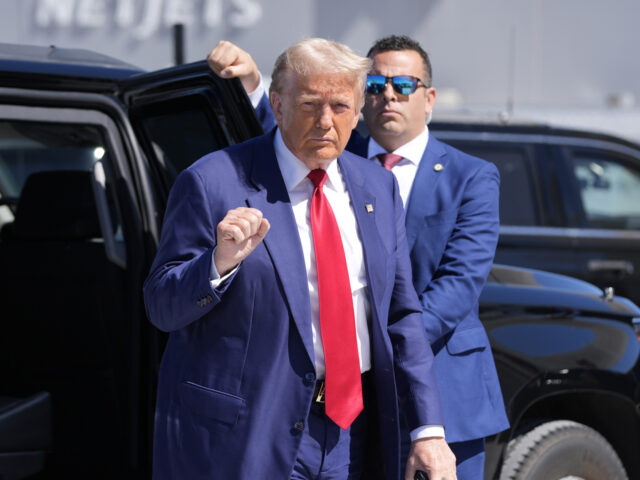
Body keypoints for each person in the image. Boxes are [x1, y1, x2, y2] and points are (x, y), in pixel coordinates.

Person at [145, 38, 457, 480]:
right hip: (247, 436)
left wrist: (428, 431)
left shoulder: (377, 188)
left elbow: (402, 316)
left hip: (352, 432)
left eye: (341, 106)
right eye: (310, 104)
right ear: (278, 102)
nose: (326, 121)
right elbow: (161, 305)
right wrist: (218, 264)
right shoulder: (212, 181)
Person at [208, 34, 509, 480]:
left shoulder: (472, 176)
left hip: (442, 390)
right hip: (348, 396)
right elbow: (283, 134)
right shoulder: (333, 159)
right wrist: (254, 85)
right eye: (376, 83)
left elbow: (459, 285)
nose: (388, 94)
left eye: (404, 85)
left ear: (429, 99)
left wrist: (378, 346)